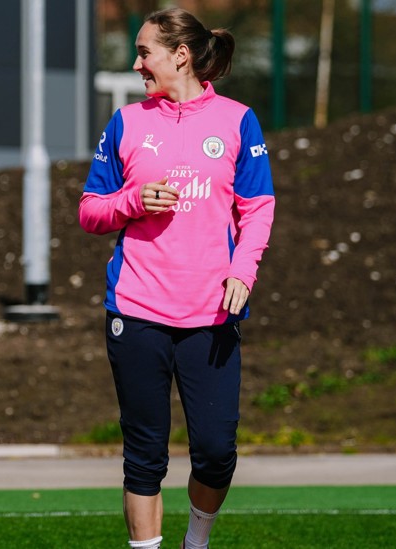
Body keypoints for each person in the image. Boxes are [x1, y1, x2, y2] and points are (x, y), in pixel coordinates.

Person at [78, 8, 275, 549]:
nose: (137, 63)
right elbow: (91, 210)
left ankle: (196, 540)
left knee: (216, 452)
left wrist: (243, 271)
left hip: (212, 312)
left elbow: (258, 208)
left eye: (145, 52)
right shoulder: (126, 122)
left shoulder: (238, 120)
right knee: (144, 455)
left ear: (180, 55)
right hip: (136, 310)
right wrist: (132, 201)